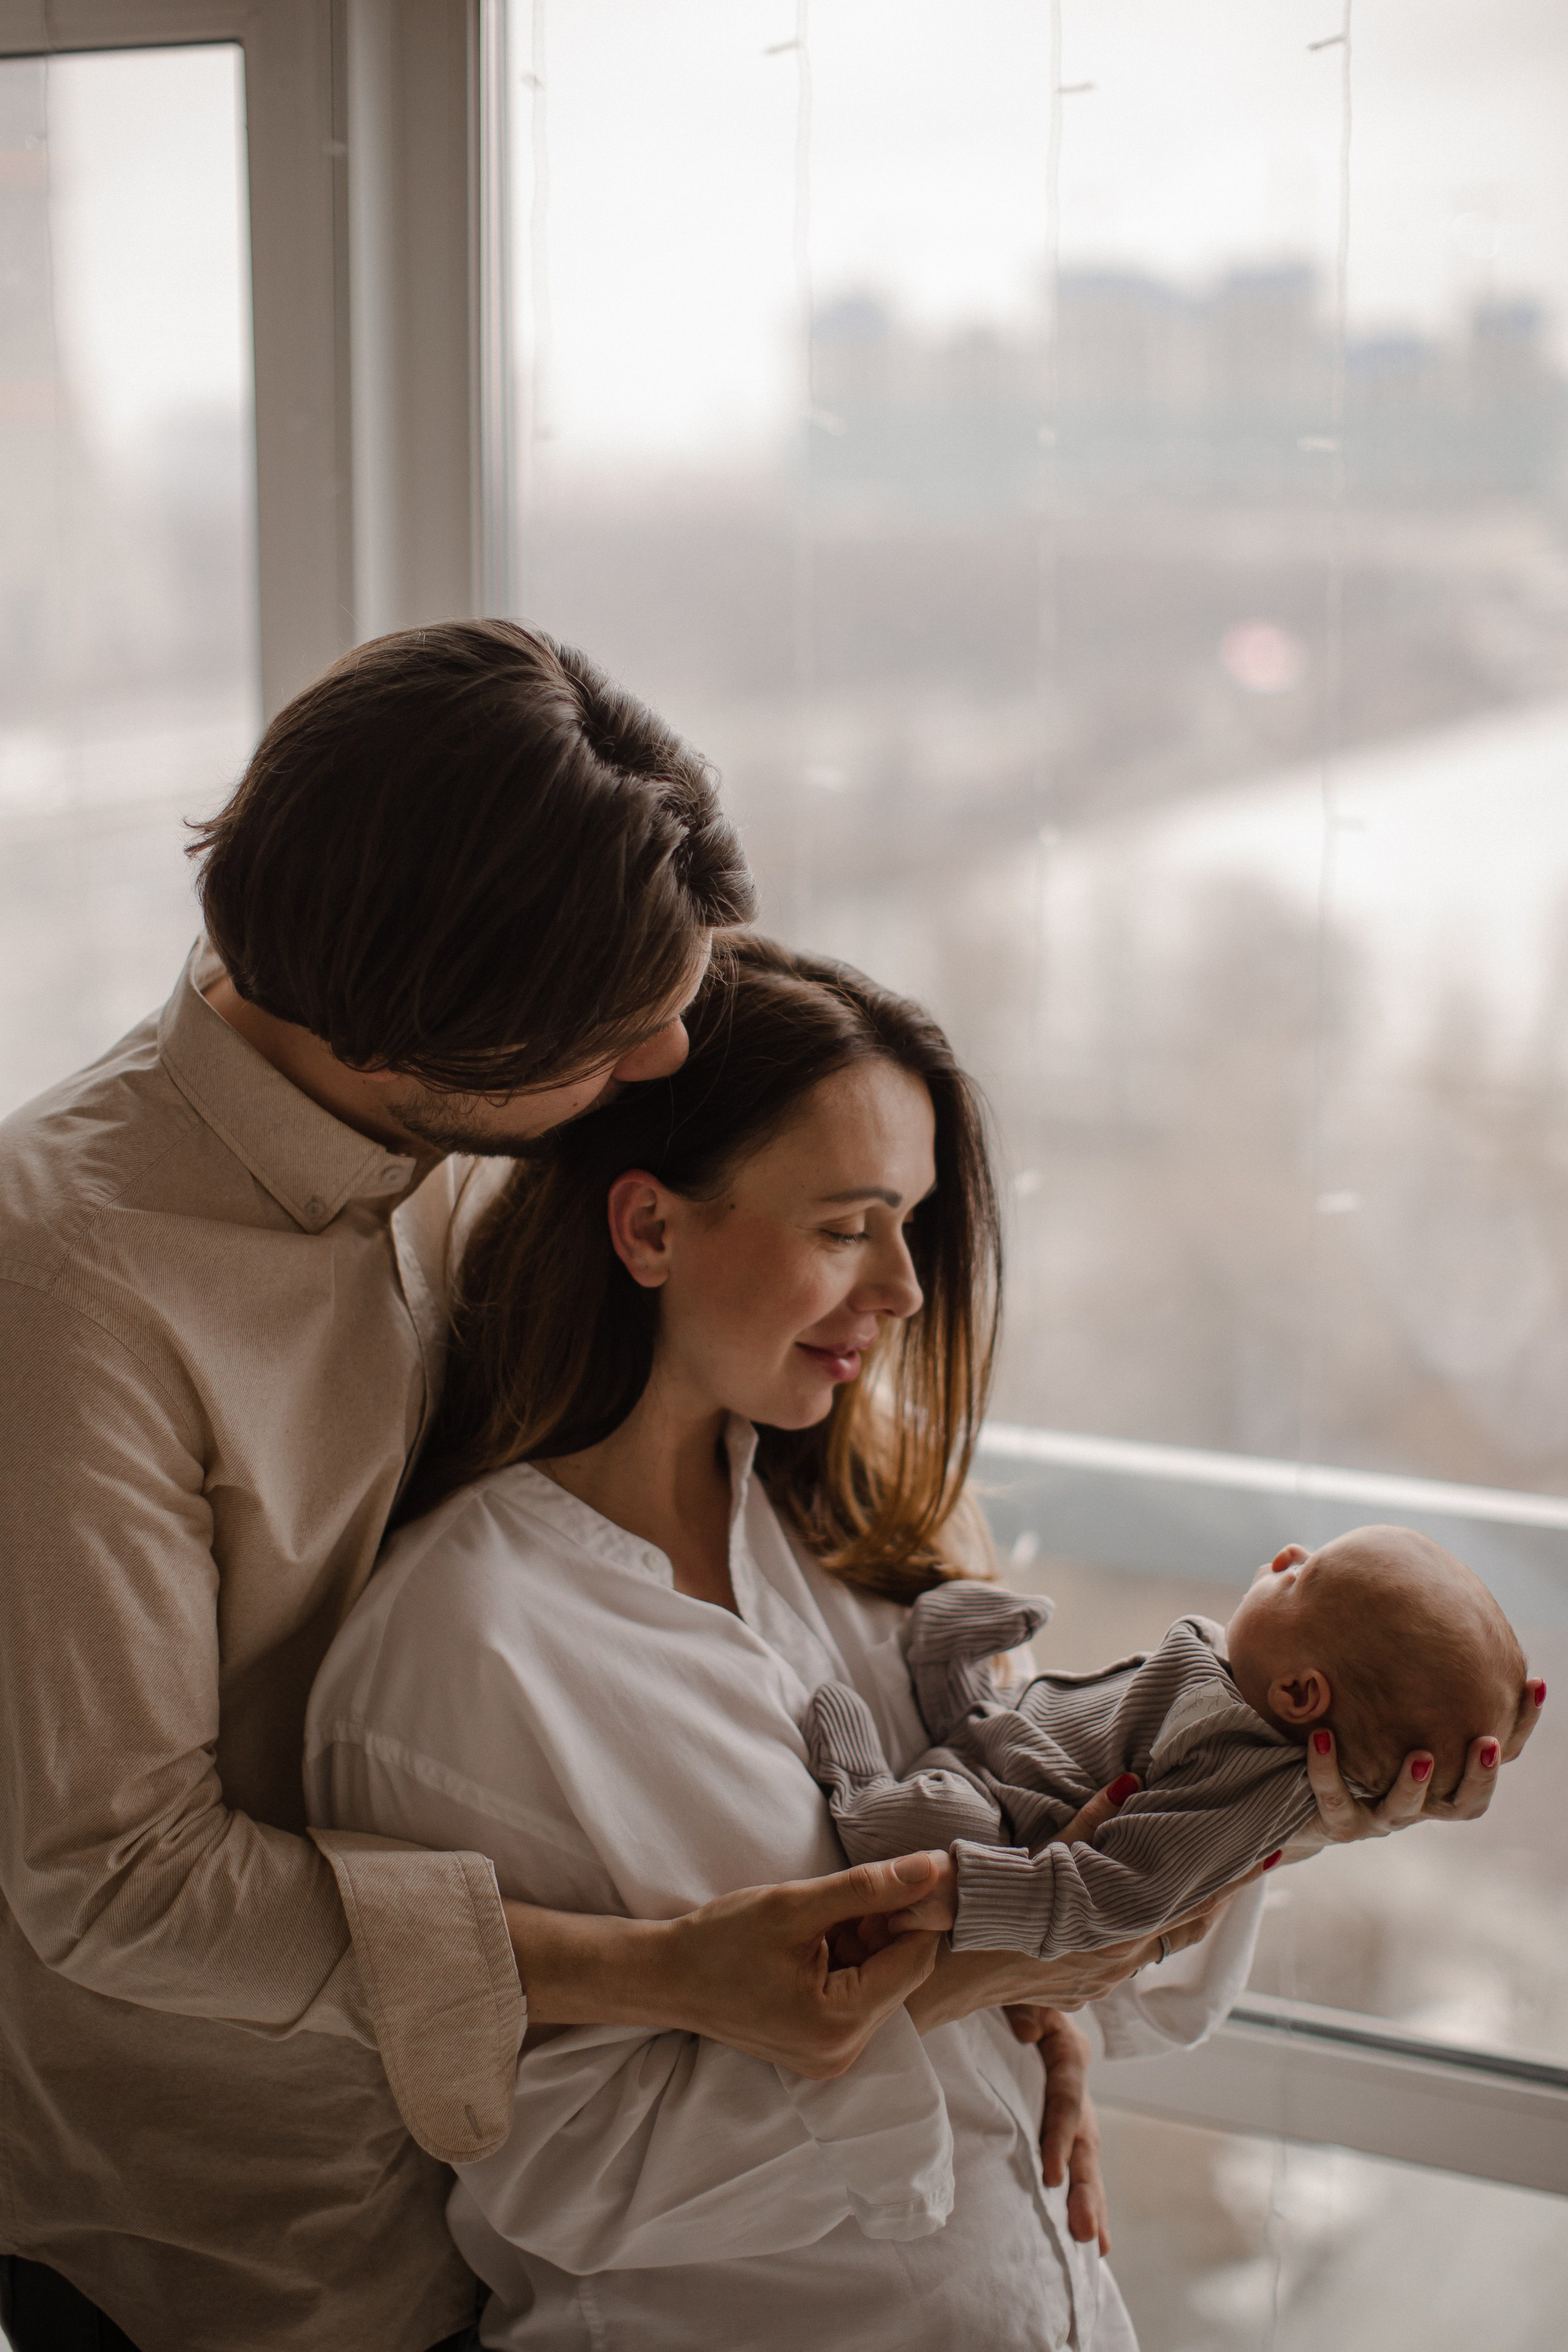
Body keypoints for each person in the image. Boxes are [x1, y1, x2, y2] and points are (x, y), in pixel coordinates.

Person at [0, 626, 973, 2352]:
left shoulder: (478, 1153)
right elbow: (114, 1880)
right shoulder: (68, 1284)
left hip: (565, 2179)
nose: (669, 1061)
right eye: (616, 1040)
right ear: (417, 1041)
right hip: (253, 2247)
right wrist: (654, 1972)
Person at [305, 935, 1341, 2350]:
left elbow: (1110, 1973)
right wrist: (961, 1982)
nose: (906, 1288)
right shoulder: (462, 1653)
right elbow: (569, 2180)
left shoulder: (857, 1535)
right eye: (846, 1226)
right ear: (649, 1230)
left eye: (909, 1222)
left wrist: (1282, 1791)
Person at [807, 1528, 1542, 1954]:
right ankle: (948, 1676)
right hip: (1012, 1739)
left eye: (1304, 1577)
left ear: (1298, 1694)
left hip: (1004, 1822)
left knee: (932, 1834)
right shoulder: (1234, 1672)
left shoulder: (1246, 1791)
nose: (1286, 1554)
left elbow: (1117, 1897)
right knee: (985, 1706)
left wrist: (968, 1895)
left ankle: (862, 1786)